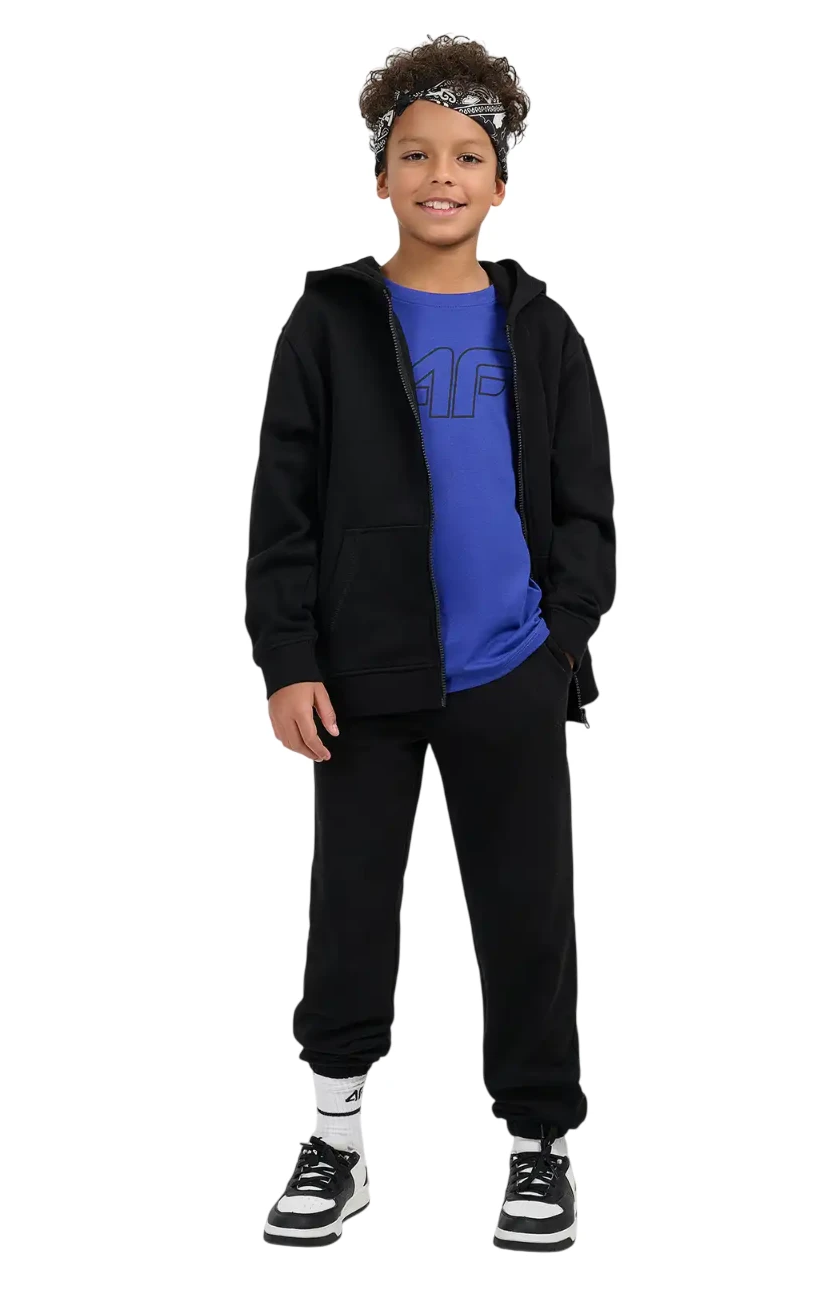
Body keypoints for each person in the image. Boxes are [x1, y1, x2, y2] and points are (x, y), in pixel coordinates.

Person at [244, 34, 615, 1251]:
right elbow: (283, 509)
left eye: (465, 157)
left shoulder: (541, 331)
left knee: (526, 914)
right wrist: (289, 659)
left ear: (500, 183)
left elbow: (584, 505)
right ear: (380, 176)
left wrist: (560, 643)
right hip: (361, 677)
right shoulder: (330, 324)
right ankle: (335, 1138)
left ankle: (538, 1144)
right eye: (413, 154)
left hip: (510, 669)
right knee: (350, 905)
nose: (439, 175)